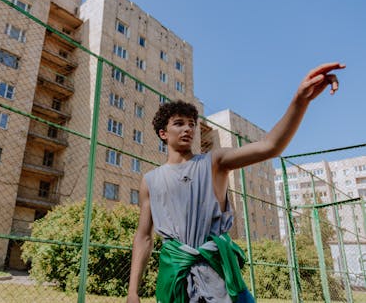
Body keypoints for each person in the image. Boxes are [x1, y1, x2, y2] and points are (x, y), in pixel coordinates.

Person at [126, 62, 345, 303]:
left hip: (221, 278)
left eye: (192, 123)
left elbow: (270, 146)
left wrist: (300, 101)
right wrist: (132, 291)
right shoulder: (150, 181)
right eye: (179, 123)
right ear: (163, 133)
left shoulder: (214, 162)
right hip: (175, 281)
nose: (188, 128)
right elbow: (144, 237)